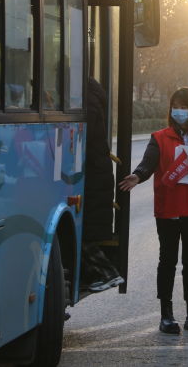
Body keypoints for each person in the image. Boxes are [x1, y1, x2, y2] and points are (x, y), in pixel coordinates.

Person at [119, 87, 188, 334]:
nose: (179, 111)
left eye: (184, 107)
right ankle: (166, 315)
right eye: (175, 106)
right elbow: (148, 163)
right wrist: (138, 175)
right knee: (167, 261)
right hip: (168, 209)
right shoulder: (160, 137)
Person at [80, 78, 123, 292]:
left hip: (92, 181)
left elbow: (81, 141)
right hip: (96, 179)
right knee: (84, 234)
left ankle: (107, 273)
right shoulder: (93, 100)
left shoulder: (86, 104)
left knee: (82, 235)